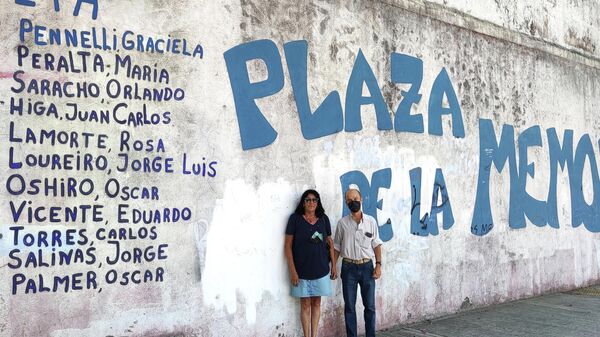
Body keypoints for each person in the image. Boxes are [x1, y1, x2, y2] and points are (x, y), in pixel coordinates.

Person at [285, 189, 336, 337]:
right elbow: (288, 245)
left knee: (317, 303)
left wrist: (333, 265)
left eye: (315, 200)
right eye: (308, 200)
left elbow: (330, 243)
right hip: (301, 270)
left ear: (318, 202)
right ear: (303, 202)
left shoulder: (323, 219)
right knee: (305, 304)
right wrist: (293, 271)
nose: (311, 202)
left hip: (321, 269)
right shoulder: (295, 219)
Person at [333, 188, 382, 337]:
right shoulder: (342, 224)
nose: (352, 201)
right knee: (349, 308)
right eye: (349, 199)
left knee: (370, 307)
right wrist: (333, 266)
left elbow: (376, 244)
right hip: (349, 268)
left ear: (361, 199)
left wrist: (378, 265)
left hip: (367, 267)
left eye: (355, 198)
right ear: (346, 202)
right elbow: (336, 247)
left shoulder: (371, 221)